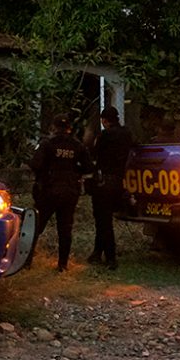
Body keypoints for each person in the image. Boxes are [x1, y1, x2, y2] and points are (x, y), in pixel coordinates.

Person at [30, 114, 93, 272]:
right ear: (69, 128)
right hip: (69, 191)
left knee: (36, 226)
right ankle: (62, 265)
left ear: (54, 127)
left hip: (48, 192)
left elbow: (35, 164)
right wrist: (74, 171)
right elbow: (88, 167)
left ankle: (27, 260)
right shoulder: (77, 146)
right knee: (65, 228)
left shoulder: (47, 144)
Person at [86, 106, 135, 270]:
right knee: (104, 219)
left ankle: (110, 258)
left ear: (104, 121)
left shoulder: (105, 135)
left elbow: (94, 154)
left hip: (103, 182)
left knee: (103, 221)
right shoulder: (126, 134)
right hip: (118, 182)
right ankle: (97, 252)